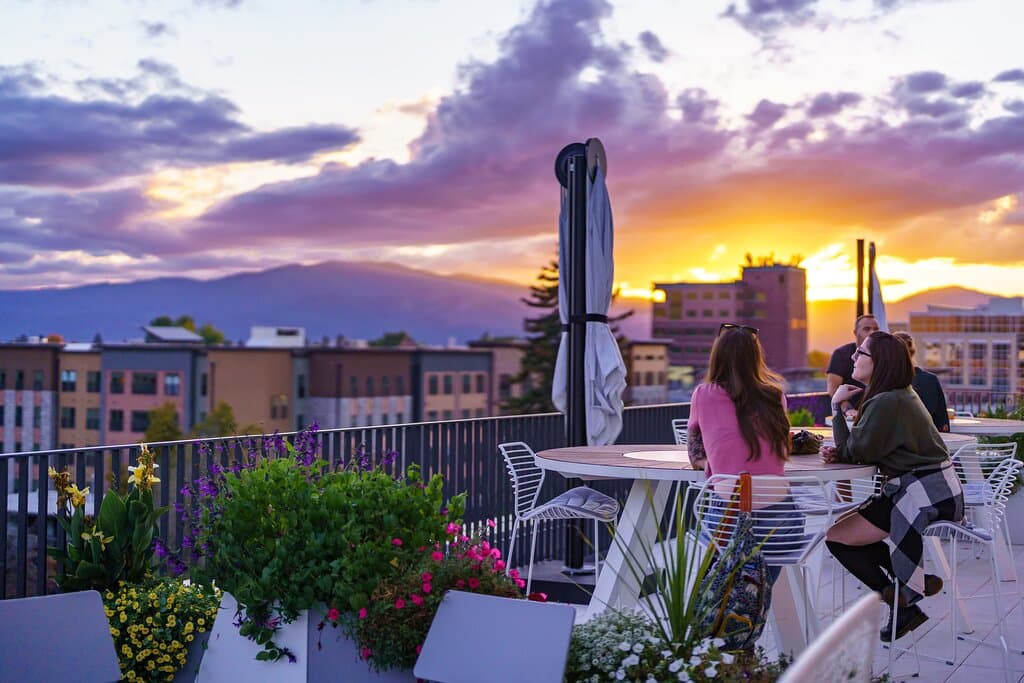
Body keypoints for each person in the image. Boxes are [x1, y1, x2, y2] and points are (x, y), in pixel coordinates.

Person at [822, 331, 964, 642]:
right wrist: (845, 448)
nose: (853, 358)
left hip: (923, 492)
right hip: (931, 487)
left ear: (880, 362)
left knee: (836, 538)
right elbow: (857, 450)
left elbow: (856, 454)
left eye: (860, 353)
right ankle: (911, 584)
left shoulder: (888, 400)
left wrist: (836, 408)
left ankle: (902, 602)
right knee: (847, 532)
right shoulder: (898, 394)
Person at [688, 323, 800, 584]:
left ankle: (713, 619)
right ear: (755, 357)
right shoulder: (776, 396)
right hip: (782, 522)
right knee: (756, 597)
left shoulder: (703, 395)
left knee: (718, 595)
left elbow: (695, 455)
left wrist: (715, 463)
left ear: (718, 356)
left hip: (729, 518)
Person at [894, 331, 950, 432]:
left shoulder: (885, 381)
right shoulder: (930, 380)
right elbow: (942, 423)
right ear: (913, 352)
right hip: (928, 443)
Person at [827, 314, 880, 415]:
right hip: (849, 416)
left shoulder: (882, 355)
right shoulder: (841, 354)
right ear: (856, 332)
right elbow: (833, 389)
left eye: (876, 329)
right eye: (867, 329)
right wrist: (848, 410)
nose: (872, 332)